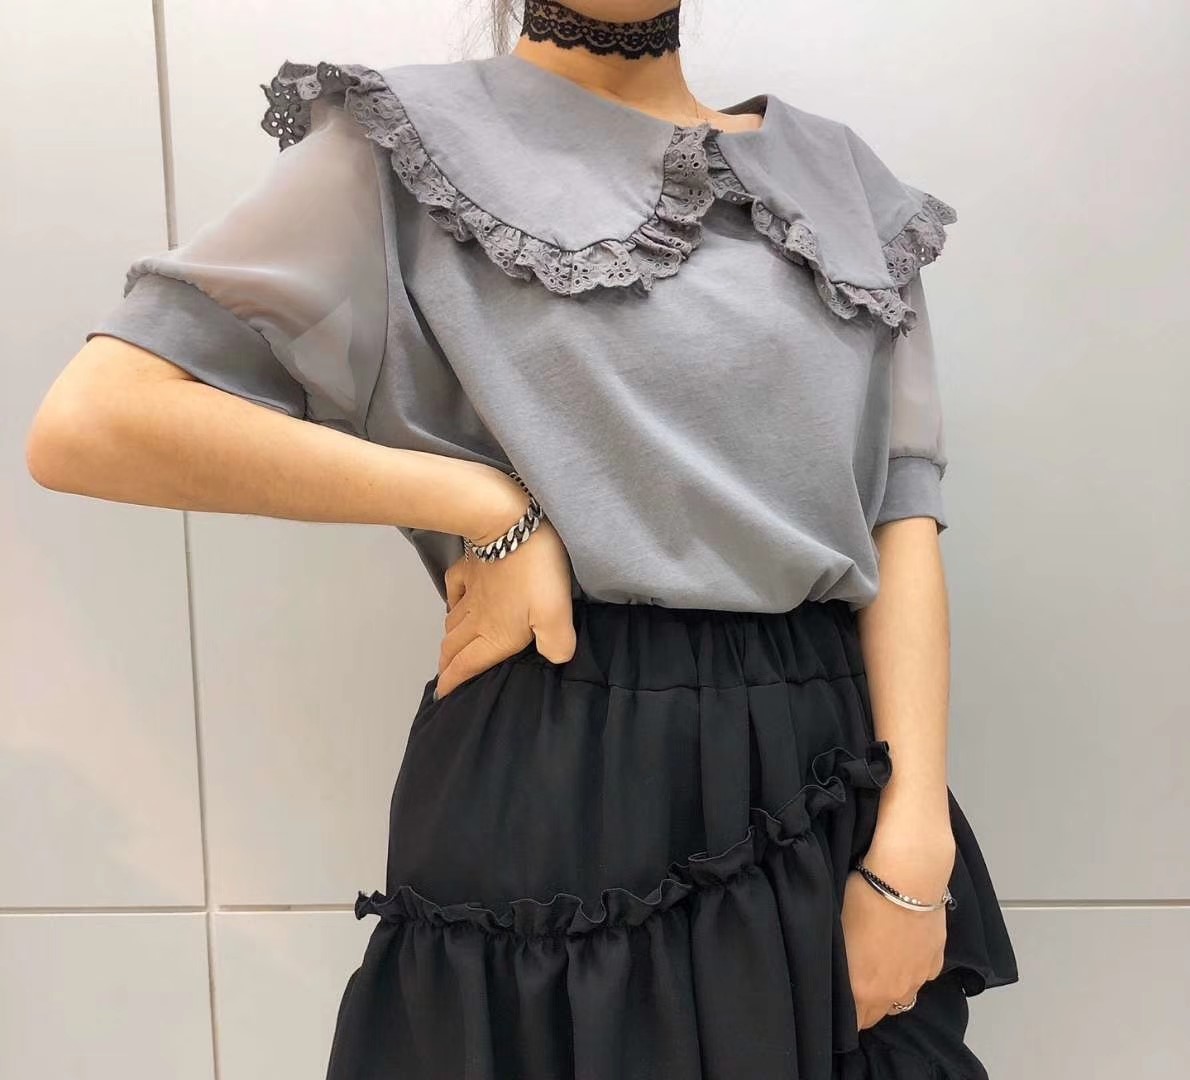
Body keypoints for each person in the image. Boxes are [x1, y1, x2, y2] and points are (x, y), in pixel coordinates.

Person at [26, 1, 1020, 1076]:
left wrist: (915, 841)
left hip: (828, 771)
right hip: (563, 768)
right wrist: (488, 506)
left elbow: (899, 522)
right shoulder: (402, 143)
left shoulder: (843, 183)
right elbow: (97, 421)